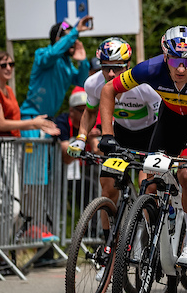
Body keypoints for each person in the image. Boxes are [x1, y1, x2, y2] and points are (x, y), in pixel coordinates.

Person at [99, 25, 187, 266]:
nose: (181, 69)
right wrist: (107, 134)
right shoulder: (150, 69)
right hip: (170, 119)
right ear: (165, 57)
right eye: (175, 62)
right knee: (149, 179)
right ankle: (154, 234)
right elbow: (109, 89)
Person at [68, 38, 161, 219]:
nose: (111, 74)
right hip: (120, 136)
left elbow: (163, 118)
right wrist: (81, 138)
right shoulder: (93, 84)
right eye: (105, 67)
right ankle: (109, 244)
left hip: (150, 136)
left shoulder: (144, 85)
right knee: (108, 189)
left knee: (147, 187)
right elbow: (89, 113)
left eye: (117, 68)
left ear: (127, 66)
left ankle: (150, 240)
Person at [21, 16, 94, 126]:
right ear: (58, 39)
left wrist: (82, 62)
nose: (73, 42)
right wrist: (75, 31)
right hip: (31, 118)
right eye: (69, 38)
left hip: (48, 120)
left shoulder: (67, 64)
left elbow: (82, 82)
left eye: (73, 39)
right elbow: (53, 54)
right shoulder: (42, 54)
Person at [0, 51, 59, 138]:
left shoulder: (9, 89)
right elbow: (1, 125)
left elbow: (15, 121)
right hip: (2, 144)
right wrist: (33, 123)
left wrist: (38, 125)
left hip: (14, 141)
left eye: (11, 64)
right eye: (3, 65)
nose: (8, 68)